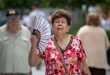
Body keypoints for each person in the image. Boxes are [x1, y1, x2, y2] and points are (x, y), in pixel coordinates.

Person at [29, 9, 91, 75]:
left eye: (63, 22)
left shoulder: (76, 41)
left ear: (68, 27)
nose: (60, 24)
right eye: (57, 22)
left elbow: (83, 64)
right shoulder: (46, 43)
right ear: (52, 27)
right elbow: (33, 63)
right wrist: (33, 45)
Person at [0, 9, 31, 75]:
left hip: (24, 72)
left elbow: (30, 53)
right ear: (6, 20)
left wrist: (30, 70)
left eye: (15, 18)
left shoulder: (26, 31)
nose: (13, 21)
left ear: (19, 19)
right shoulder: (0, 32)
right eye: (10, 19)